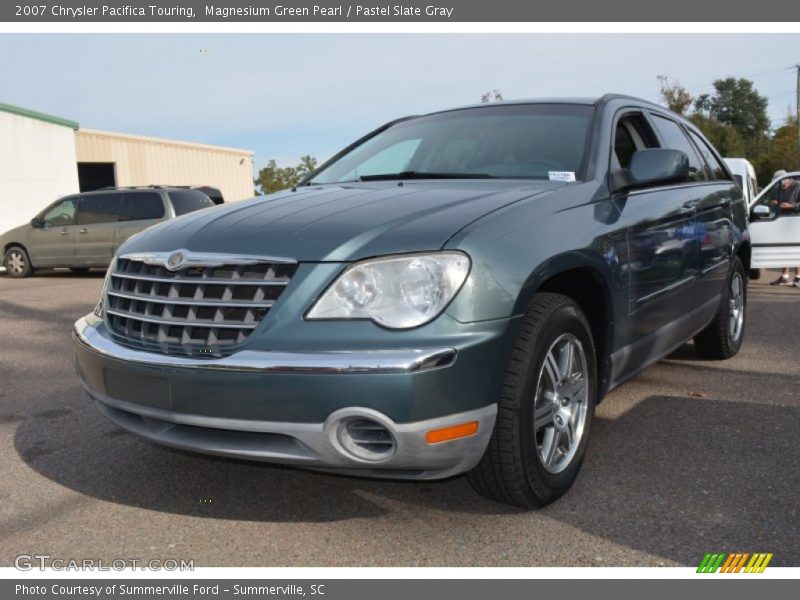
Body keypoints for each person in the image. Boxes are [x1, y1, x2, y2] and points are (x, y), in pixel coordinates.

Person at [769, 173, 800, 287]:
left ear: (788, 180)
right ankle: (785, 277)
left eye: (782, 184)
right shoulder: (778, 187)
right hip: (781, 221)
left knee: (797, 249)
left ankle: (798, 278)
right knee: (784, 249)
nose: (782, 187)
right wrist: (774, 203)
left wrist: (792, 206)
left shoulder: (798, 186)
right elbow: (772, 202)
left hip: (796, 221)